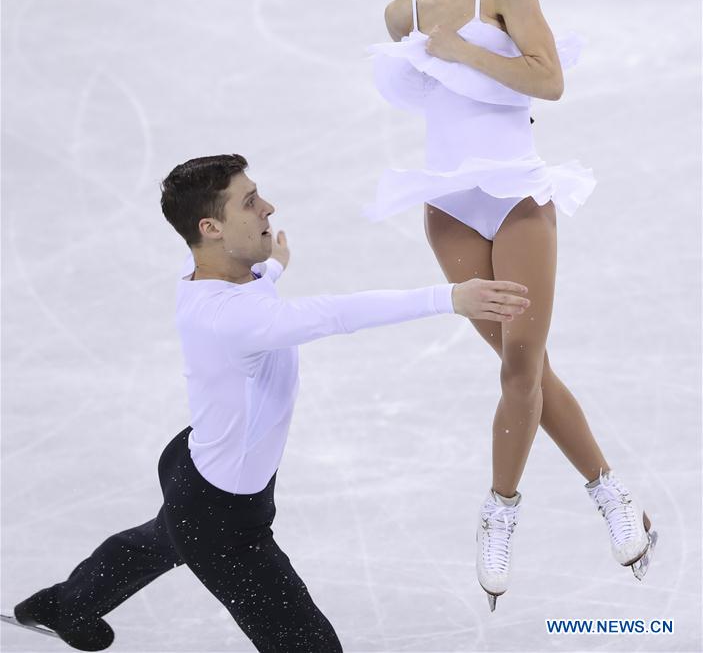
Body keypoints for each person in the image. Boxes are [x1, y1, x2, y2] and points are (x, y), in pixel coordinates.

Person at [11, 153, 531, 652]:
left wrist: (275, 268)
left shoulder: (219, 282)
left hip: (193, 466)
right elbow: (333, 314)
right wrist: (448, 297)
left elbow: (253, 297)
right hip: (221, 520)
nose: (268, 208)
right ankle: (67, 604)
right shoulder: (231, 317)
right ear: (210, 229)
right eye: (249, 201)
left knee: (157, 540)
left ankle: (64, 606)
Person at [364, 0, 657, 610]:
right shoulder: (400, 13)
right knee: (519, 364)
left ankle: (503, 507)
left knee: (521, 366)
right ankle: (613, 491)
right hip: (449, 204)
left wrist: (462, 50)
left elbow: (548, 79)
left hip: (517, 192)